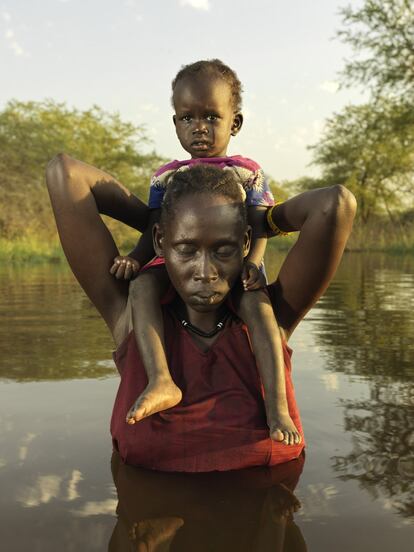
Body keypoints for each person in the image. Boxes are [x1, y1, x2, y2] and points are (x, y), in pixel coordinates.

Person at [46, 155, 356, 472]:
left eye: (224, 249)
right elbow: (65, 175)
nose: (205, 272)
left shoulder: (269, 317)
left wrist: (261, 220)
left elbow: (334, 204)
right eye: (185, 249)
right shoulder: (131, 314)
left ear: (244, 244)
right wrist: (164, 218)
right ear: (160, 242)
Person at [109, 59, 300, 445]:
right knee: (142, 288)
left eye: (211, 116)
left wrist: (253, 262)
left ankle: (277, 405)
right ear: (175, 122)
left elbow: (258, 224)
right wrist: (136, 257)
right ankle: (161, 379)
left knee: (259, 310)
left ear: (235, 123)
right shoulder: (166, 176)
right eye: (187, 117)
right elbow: (154, 230)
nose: (199, 127)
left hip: (235, 265)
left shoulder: (247, 173)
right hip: (173, 261)